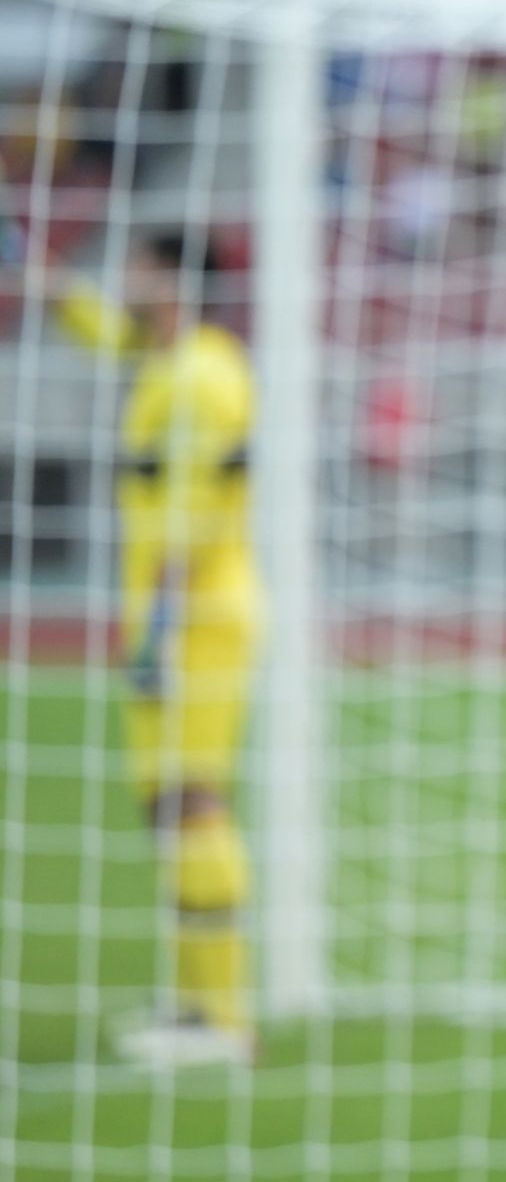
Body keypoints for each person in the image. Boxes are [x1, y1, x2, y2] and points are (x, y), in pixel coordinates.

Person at [57, 230, 258, 1066]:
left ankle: (223, 1019)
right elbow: (104, 331)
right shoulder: (166, 358)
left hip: (195, 620)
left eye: (137, 268)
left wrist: (159, 632)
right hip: (167, 617)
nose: (125, 280)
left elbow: (194, 511)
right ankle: (193, 1003)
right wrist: (45, 279)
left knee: (194, 801)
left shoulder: (203, 377)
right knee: (167, 809)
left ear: (172, 280)